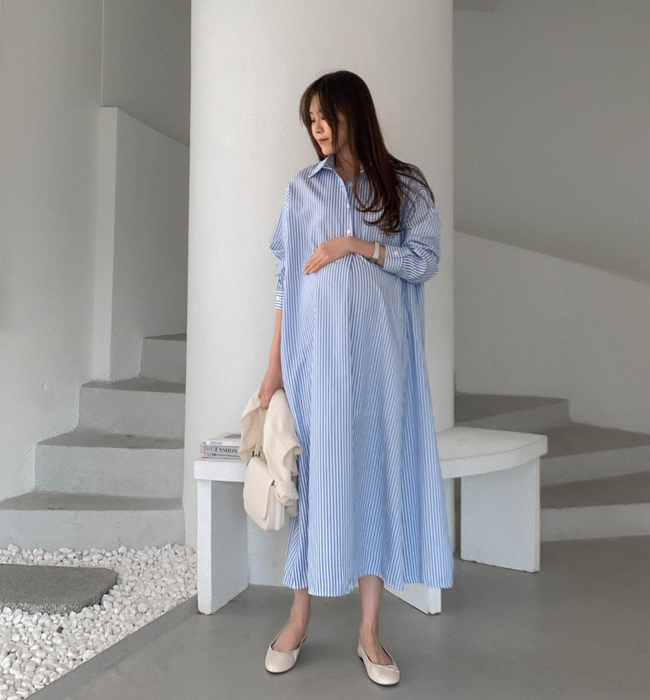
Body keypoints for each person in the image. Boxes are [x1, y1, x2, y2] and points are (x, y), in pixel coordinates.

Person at [257, 70, 454, 686]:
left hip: (382, 368)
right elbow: (286, 283)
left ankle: (370, 633)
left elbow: (425, 262)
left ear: (353, 113)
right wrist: (273, 369)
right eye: (310, 118)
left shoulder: (403, 186)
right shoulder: (302, 189)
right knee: (313, 484)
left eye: (325, 115)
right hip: (315, 368)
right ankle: (299, 618)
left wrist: (356, 245)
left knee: (371, 483)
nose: (316, 127)